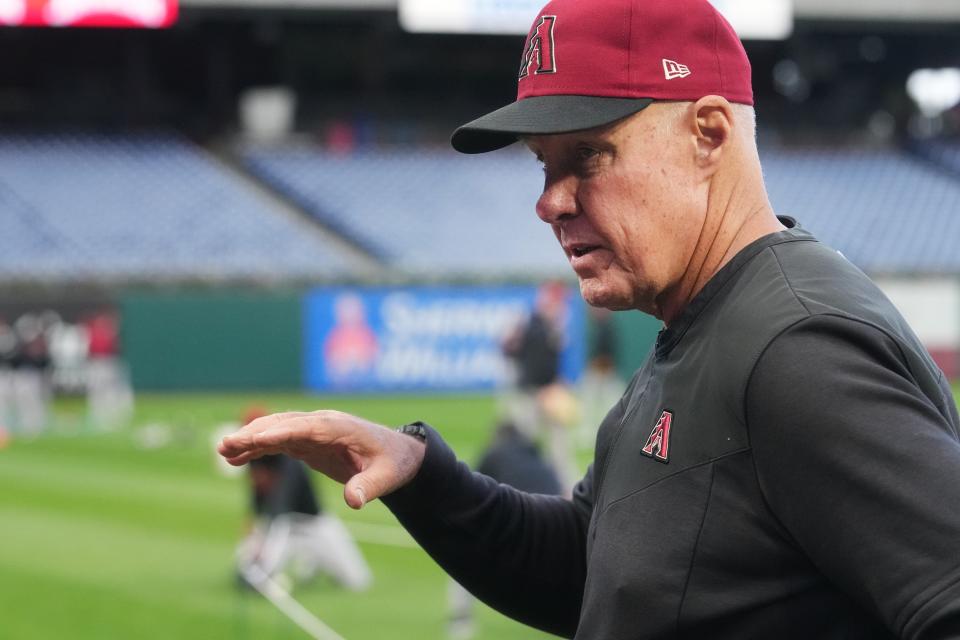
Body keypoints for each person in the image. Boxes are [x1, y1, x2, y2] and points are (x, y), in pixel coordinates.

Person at [220, 0, 960, 637]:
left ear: (708, 133)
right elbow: (596, 568)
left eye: (588, 156)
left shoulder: (797, 349)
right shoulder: (703, 320)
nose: (550, 201)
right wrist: (421, 477)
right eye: (543, 163)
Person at [236, 409, 372, 593]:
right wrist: (254, 531)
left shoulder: (286, 456)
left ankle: (314, 563)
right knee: (253, 572)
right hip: (282, 524)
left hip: (313, 524)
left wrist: (262, 542)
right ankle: (262, 573)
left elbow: (281, 502)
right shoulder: (253, 458)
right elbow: (258, 496)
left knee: (357, 580)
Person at [501, 281, 579, 489]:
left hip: (549, 392)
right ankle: (520, 485)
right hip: (531, 392)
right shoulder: (532, 324)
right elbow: (515, 354)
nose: (560, 307)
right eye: (556, 302)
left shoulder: (553, 327)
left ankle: (567, 487)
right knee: (524, 444)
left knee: (558, 445)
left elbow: (552, 360)